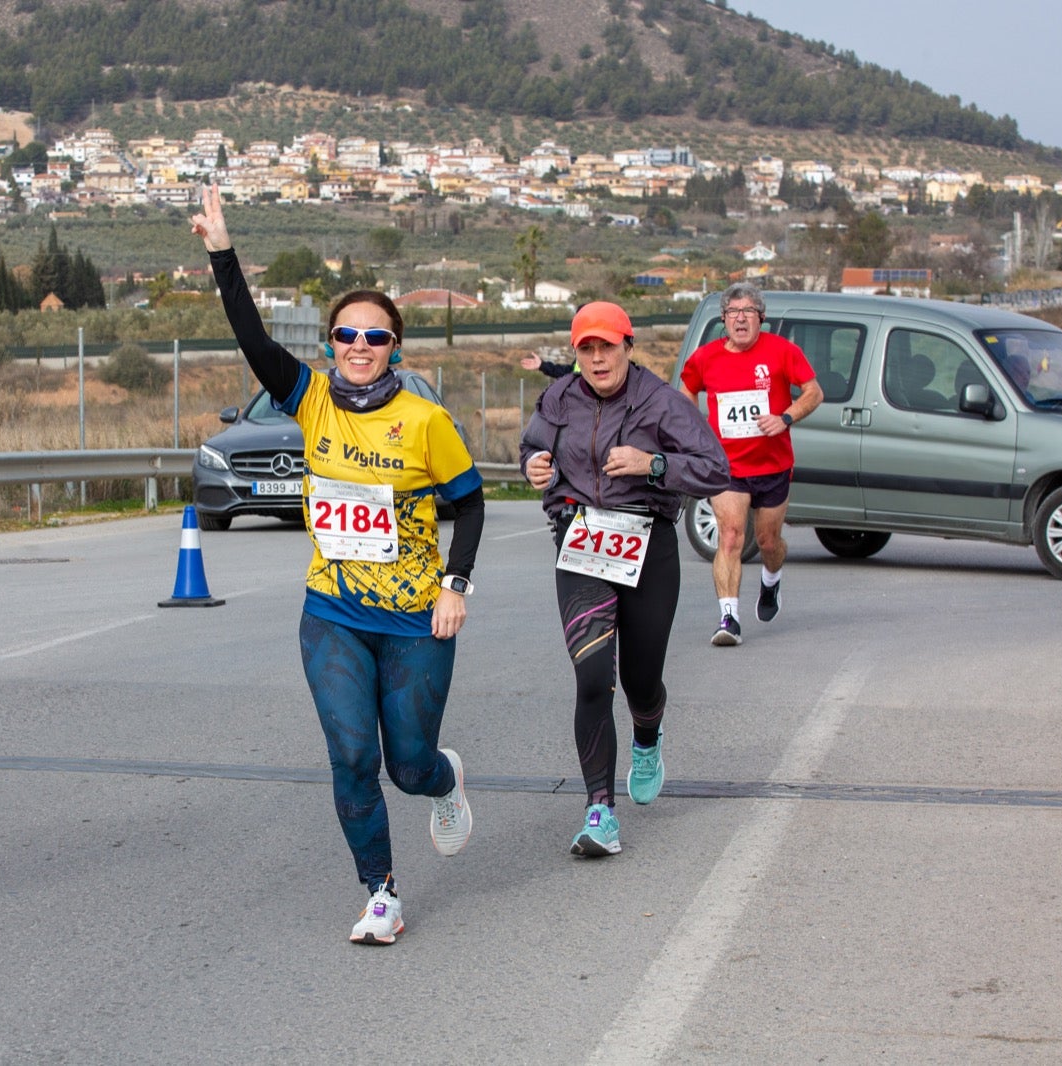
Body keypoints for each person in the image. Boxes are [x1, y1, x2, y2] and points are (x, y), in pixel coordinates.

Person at [191, 186, 485, 945]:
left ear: (396, 348)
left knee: (408, 767)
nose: (359, 347)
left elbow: (473, 505)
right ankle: (380, 892)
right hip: (334, 614)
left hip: (417, 617)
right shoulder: (313, 400)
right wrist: (223, 253)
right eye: (346, 335)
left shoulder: (426, 421)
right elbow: (252, 341)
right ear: (330, 345)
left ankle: (445, 782)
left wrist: (455, 587)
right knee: (353, 756)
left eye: (376, 337)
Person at [520, 302, 728, 857]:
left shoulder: (661, 402)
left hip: (648, 546)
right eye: (585, 348)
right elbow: (532, 447)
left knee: (640, 679)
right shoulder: (559, 397)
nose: (596, 358)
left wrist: (653, 464)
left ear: (627, 347)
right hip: (582, 544)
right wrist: (534, 466)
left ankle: (647, 733)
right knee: (592, 676)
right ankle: (599, 811)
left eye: (606, 347)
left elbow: (715, 467)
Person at [679, 283, 822, 646]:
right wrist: (695, 434)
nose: (740, 318)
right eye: (732, 312)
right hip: (726, 467)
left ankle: (771, 582)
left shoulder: (782, 351)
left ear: (761, 318)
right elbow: (684, 394)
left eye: (748, 312)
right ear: (724, 319)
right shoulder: (705, 357)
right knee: (729, 537)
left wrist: (785, 418)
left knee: (768, 542)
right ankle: (729, 617)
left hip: (773, 465)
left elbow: (814, 391)